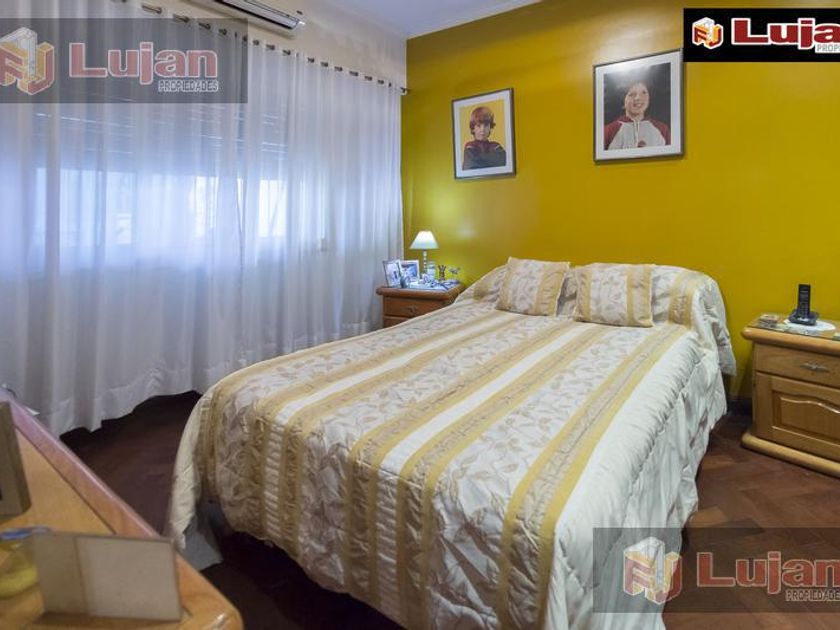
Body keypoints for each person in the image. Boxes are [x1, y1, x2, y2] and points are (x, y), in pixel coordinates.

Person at [604, 80, 670, 150]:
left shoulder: (662, 129)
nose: (638, 98)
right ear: (623, 100)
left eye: (644, 93)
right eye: (632, 94)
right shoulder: (608, 130)